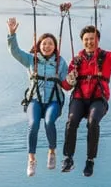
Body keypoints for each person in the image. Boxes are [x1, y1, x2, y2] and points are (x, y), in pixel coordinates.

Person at [61, 11, 111, 176]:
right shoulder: (76, 61)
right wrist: (69, 80)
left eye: (92, 38)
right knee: (71, 121)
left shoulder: (106, 58)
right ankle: (68, 157)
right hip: (79, 98)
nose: (89, 42)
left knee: (93, 122)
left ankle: (90, 160)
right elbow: (66, 86)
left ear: (97, 40)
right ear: (82, 41)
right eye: (86, 39)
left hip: (98, 99)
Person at [6, 17, 69, 176]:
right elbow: (15, 52)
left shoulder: (60, 63)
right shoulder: (31, 60)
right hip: (34, 99)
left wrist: (72, 79)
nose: (47, 46)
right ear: (39, 46)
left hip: (54, 101)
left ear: (55, 47)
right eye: (44, 44)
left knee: (49, 122)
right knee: (33, 123)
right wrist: (12, 34)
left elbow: (66, 83)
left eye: (50, 44)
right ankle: (31, 159)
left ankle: (52, 152)